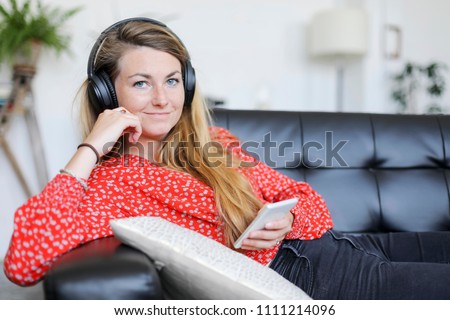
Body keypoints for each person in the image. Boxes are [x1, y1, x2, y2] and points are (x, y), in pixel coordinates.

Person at [3, 17, 450, 300]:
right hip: (327, 280)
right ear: (106, 92)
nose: (162, 99)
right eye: (141, 83)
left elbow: (305, 200)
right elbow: (23, 261)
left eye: (173, 80)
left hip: (349, 248)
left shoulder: (214, 143)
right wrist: (90, 148)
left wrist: (285, 222)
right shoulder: (110, 184)